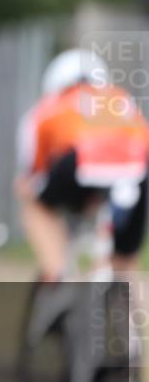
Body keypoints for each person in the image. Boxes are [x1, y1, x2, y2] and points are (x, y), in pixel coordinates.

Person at [15, 48, 149, 282]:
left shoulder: (47, 108)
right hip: (138, 168)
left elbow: (33, 174)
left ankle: (58, 277)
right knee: (125, 264)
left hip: (80, 161)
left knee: (33, 203)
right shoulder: (122, 100)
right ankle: (131, 310)